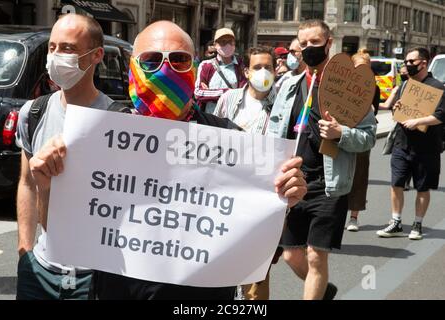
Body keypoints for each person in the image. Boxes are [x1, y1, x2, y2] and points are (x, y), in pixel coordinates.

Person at [82, 20, 305, 299]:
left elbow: (257, 244)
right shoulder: (101, 137)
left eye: (178, 60)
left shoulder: (229, 139)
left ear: (195, 68)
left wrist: (282, 203)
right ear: (132, 67)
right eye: (151, 61)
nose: (165, 70)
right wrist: (47, 182)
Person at [15, 14, 128, 300]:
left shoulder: (120, 122)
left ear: (96, 56)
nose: (55, 56)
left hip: (95, 276)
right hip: (40, 270)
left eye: (67, 48)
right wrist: (25, 250)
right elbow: (27, 183)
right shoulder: (33, 113)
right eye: (52, 48)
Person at [267, 20, 377, 300]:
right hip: (293, 182)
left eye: (314, 43)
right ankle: (322, 290)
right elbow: (273, 130)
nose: (308, 49)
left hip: (329, 183)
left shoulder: (349, 87)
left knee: (316, 257)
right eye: (303, 44)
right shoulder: (289, 85)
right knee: (292, 255)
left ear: (329, 44)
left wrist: (342, 133)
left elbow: (368, 136)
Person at [214, 46, 277, 299]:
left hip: (261, 196)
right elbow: (212, 137)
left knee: (256, 274)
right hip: (225, 191)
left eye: (268, 67)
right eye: (258, 67)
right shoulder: (228, 100)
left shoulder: (282, 103)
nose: (263, 72)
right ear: (246, 71)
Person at [376, 47, 445, 240]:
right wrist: (397, 108)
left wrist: (419, 121)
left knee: (422, 187)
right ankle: (396, 221)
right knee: (396, 183)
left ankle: (417, 224)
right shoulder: (406, 85)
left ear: (423, 63)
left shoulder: (437, 87)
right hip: (402, 143)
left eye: (411, 62)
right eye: (406, 61)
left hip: (427, 147)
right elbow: (397, 111)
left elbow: (440, 116)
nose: (407, 65)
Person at [345, 50, 380, 232]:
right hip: (342, 134)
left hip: (361, 135)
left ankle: (354, 217)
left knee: (359, 176)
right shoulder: (342, 85)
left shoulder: (374, 87)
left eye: (366, 68)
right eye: (358, 68)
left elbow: (375, 108)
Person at [194, 28, 246, 114]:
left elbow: (243, 93)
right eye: (223, 42)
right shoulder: (206, 65)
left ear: (234, 44)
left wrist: (211, 93)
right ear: (215, 45)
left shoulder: (241, 66)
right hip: (210, 118)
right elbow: (198, 93)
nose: (227, 45)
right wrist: (227, 92)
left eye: (230, 41)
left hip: (233, 117)